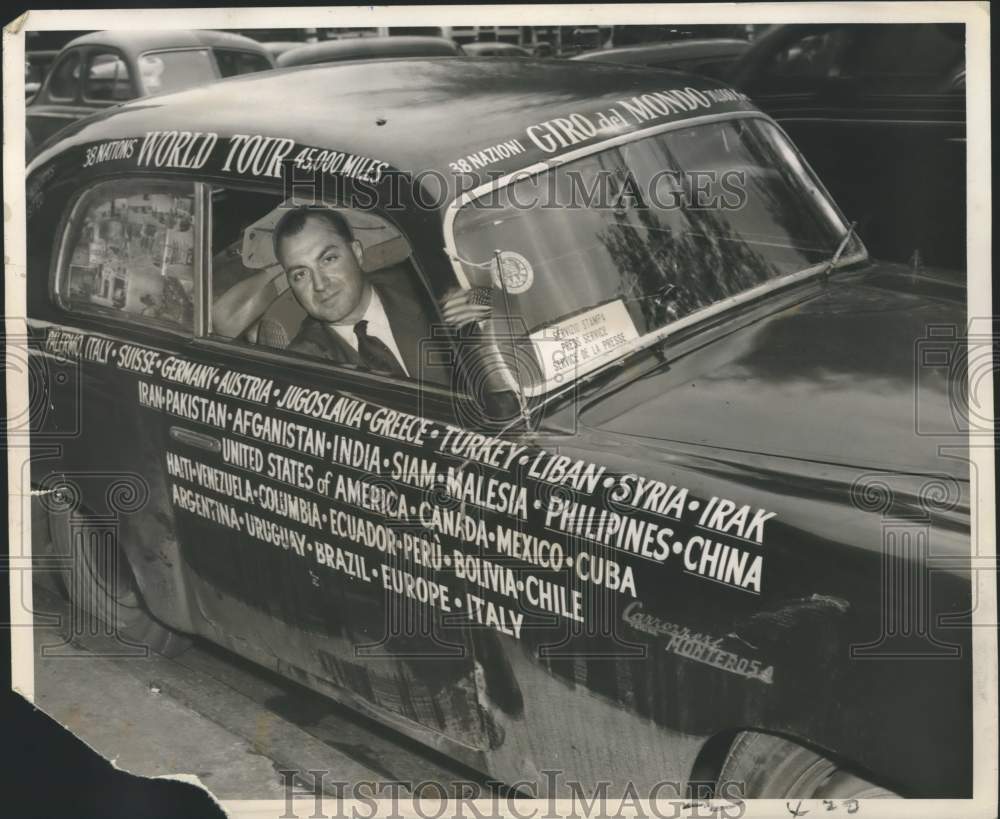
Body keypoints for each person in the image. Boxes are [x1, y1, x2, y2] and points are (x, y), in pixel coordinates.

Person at [273, 207, 489, 381]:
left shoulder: (428, 286)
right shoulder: (305, 363)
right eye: (300, 274)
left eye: (328, 259)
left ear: (357, 253)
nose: (319, 284)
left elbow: (503, 299)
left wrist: (480, 310)